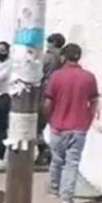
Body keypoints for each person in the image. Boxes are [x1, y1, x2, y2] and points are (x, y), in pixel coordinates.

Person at [44, 44, 99, 203]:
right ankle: (67, 196)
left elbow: (48, 102)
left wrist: (48, 119)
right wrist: (88, 121)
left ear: (63, 57)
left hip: (58, 125)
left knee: (57, 159)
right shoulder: (89, 77)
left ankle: (54, 188)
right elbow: (94, 101)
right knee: (72, 162)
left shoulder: (56, 76)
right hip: (79, 126)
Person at [37, 33, 67, 165]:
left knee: (37, 126)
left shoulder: (48, 57)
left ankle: (44, 150)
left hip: (45, 93)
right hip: (60, 94)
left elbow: (39, 73)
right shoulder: (63, 58)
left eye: (49, 41)